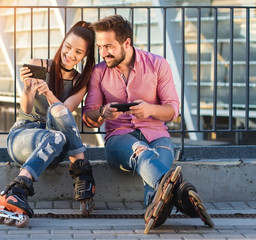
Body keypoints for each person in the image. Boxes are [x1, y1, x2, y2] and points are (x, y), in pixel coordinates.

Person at [82, 15, 213, 233]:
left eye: (109, 46)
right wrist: (102, 113)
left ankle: (153, 207)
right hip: (119, 142)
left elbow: (172, 110)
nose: (103, 52)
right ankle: (181, 194)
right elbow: (88, 116)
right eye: (100, 46)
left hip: (157, 137)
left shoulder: (157, 64)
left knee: (155, 161)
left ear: (127, 42)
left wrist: (149, 109)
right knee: (142, 152)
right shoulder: (99, 72)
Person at [0, 21, 96, 223]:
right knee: (56, 134)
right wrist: (27, 89)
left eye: (78, 52)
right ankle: (21, 187)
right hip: (23, 136)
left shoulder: (80, 82)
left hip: (54, 144)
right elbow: (27, 110)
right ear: (62, 42)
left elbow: (64, 114)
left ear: (85, 56)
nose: (70, 54)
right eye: (67, 46)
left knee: (58, 117)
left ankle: (19, 189)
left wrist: (48, 93)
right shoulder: (39, 64)